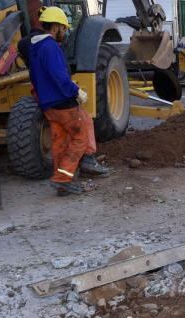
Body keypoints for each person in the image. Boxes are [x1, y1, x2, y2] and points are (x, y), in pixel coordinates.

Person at [17, 6, 109, 196]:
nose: (64, 32)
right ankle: (67, 175)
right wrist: (76, 91)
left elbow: (37, 77)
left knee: (59, 142)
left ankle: (61, 183)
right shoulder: (50, 47)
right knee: (80, 138)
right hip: (62, 102)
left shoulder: (33, 48)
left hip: (48, 105)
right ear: (56, 26)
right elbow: (59, 76)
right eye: (64, 28)